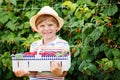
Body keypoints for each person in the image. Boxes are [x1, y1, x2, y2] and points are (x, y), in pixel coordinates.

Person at [14, 6, 71, 80]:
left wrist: (59, 73)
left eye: (50, 25)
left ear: (57, 26)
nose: (46, 29)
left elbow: (64, 72)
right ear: (37, 29)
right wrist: (25, 72)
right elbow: (33, 71)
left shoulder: (63, 45)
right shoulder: (35, 46)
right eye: (42, 26)